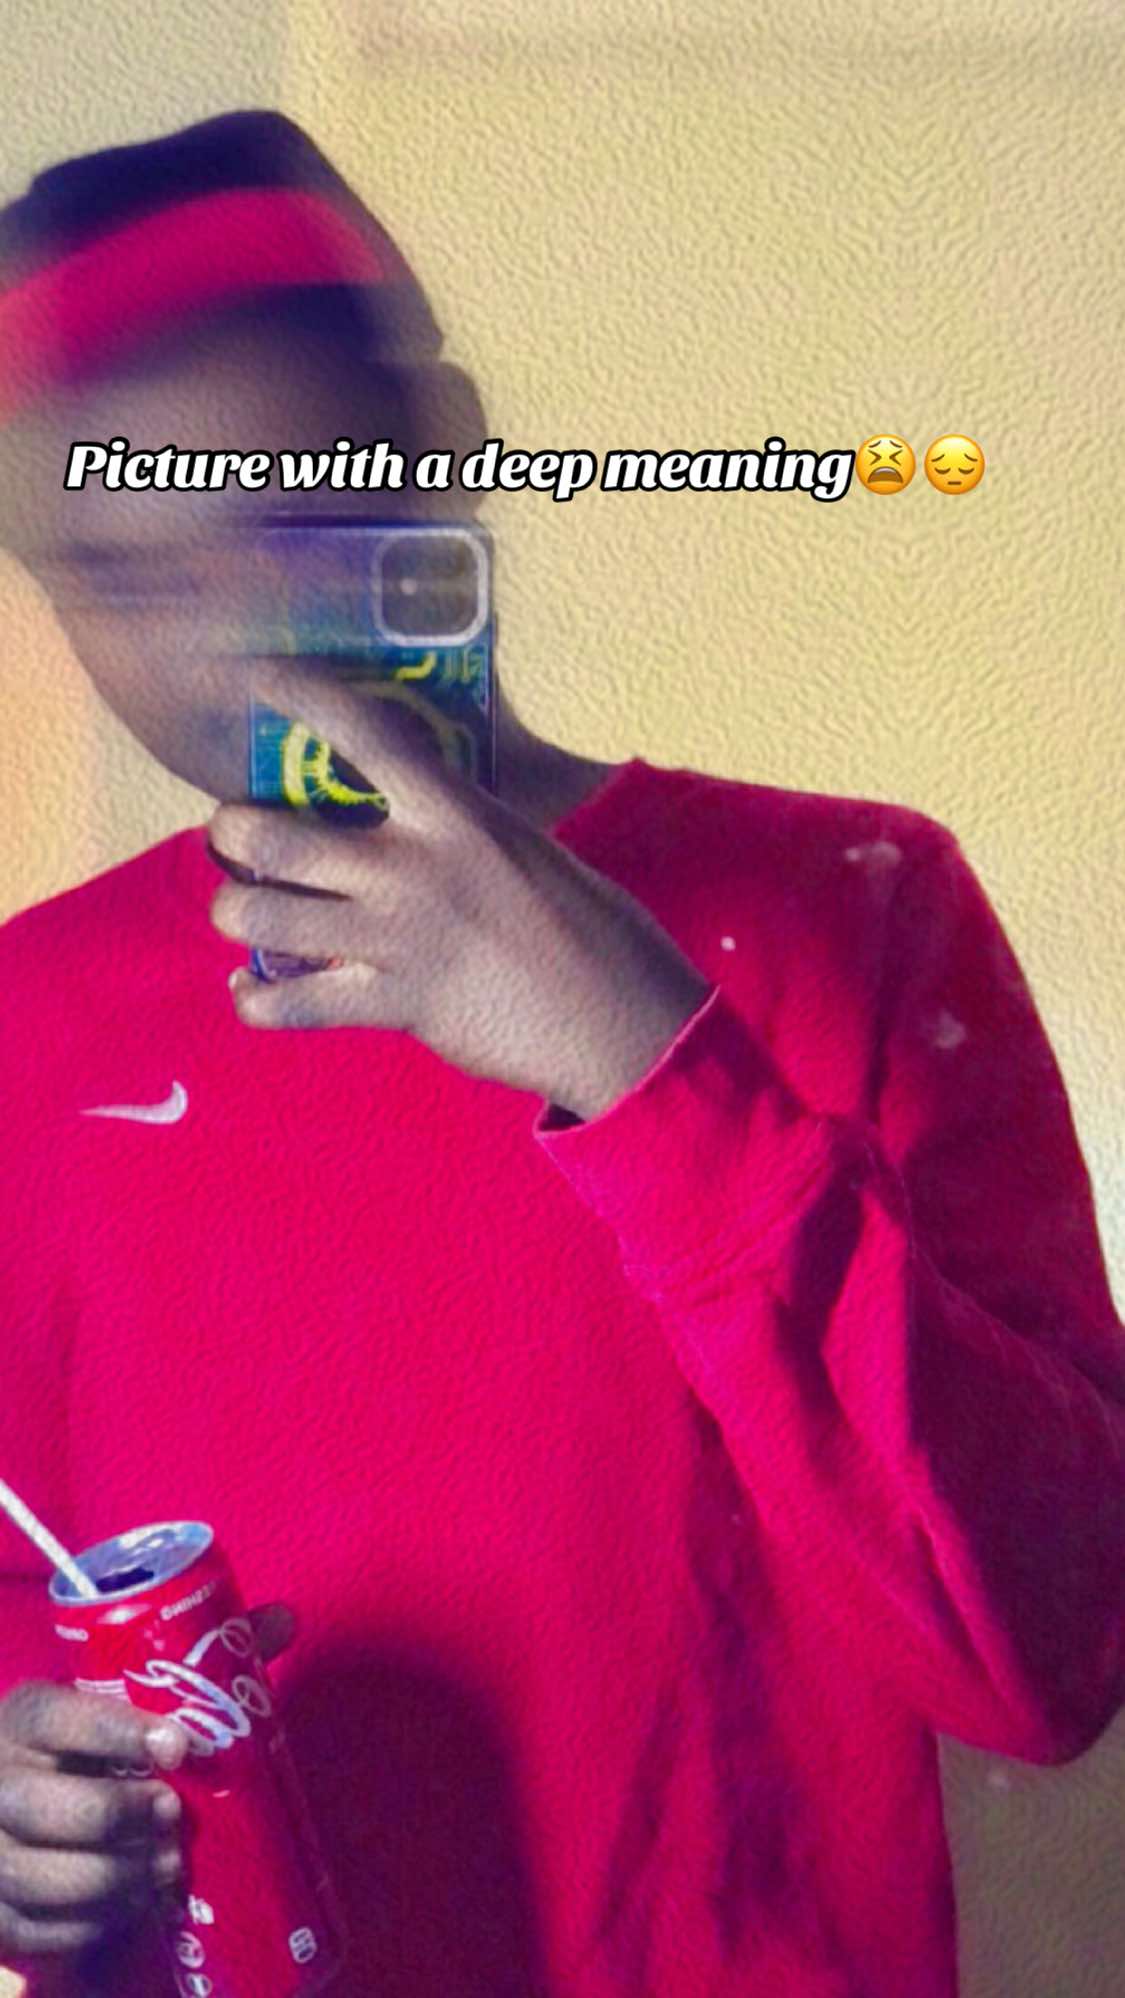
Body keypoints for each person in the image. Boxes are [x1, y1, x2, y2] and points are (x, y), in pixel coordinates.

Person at [0, 109, 1121, 1998]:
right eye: (125, 573)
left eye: (291, 507)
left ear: (445, 447)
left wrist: (635, 1048)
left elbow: (1049, 1654)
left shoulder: (853, 911)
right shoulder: (26, 1022)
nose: (234, 638)